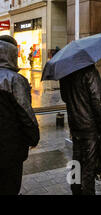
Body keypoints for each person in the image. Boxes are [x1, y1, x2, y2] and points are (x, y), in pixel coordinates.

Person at [0, 36, 40, 195]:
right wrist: (33, 137)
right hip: (10, 146)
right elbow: (25, 113)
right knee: (10, 184)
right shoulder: (15, 80)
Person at [60, 64, 101, 195]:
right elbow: (98, 100)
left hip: (75, 124)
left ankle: (75, 190)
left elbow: (65, 97)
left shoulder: (66, 72)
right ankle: (88, 192)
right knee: (89, 165)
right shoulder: (90, 71)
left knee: (76, 160)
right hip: (89, 126)